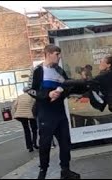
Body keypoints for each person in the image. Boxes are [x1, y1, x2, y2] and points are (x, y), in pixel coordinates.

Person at [27, 44, 80, 179]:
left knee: (65, 142)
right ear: (48, 54)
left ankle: (65, 170)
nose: (59, 56)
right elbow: (30, 90)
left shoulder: (60, 71)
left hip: (60, 112)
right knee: (45, 144)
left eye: (59, 54)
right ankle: (43, 172)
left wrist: (63, 91)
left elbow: (67, 86)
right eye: (56, 54)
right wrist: (47, 95)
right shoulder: (38, 70)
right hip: (45, 113)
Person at [12, 88, 38, 152]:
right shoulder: (32, 96)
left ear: (23, 91)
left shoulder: (19, 97)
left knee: (26, 130)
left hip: (21, 115)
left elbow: (14, 106)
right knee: (34, 129)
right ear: (29, 91)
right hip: (31, 115)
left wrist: (15, 113)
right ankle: (35, 143)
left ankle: (29, 147)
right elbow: (36, 105)